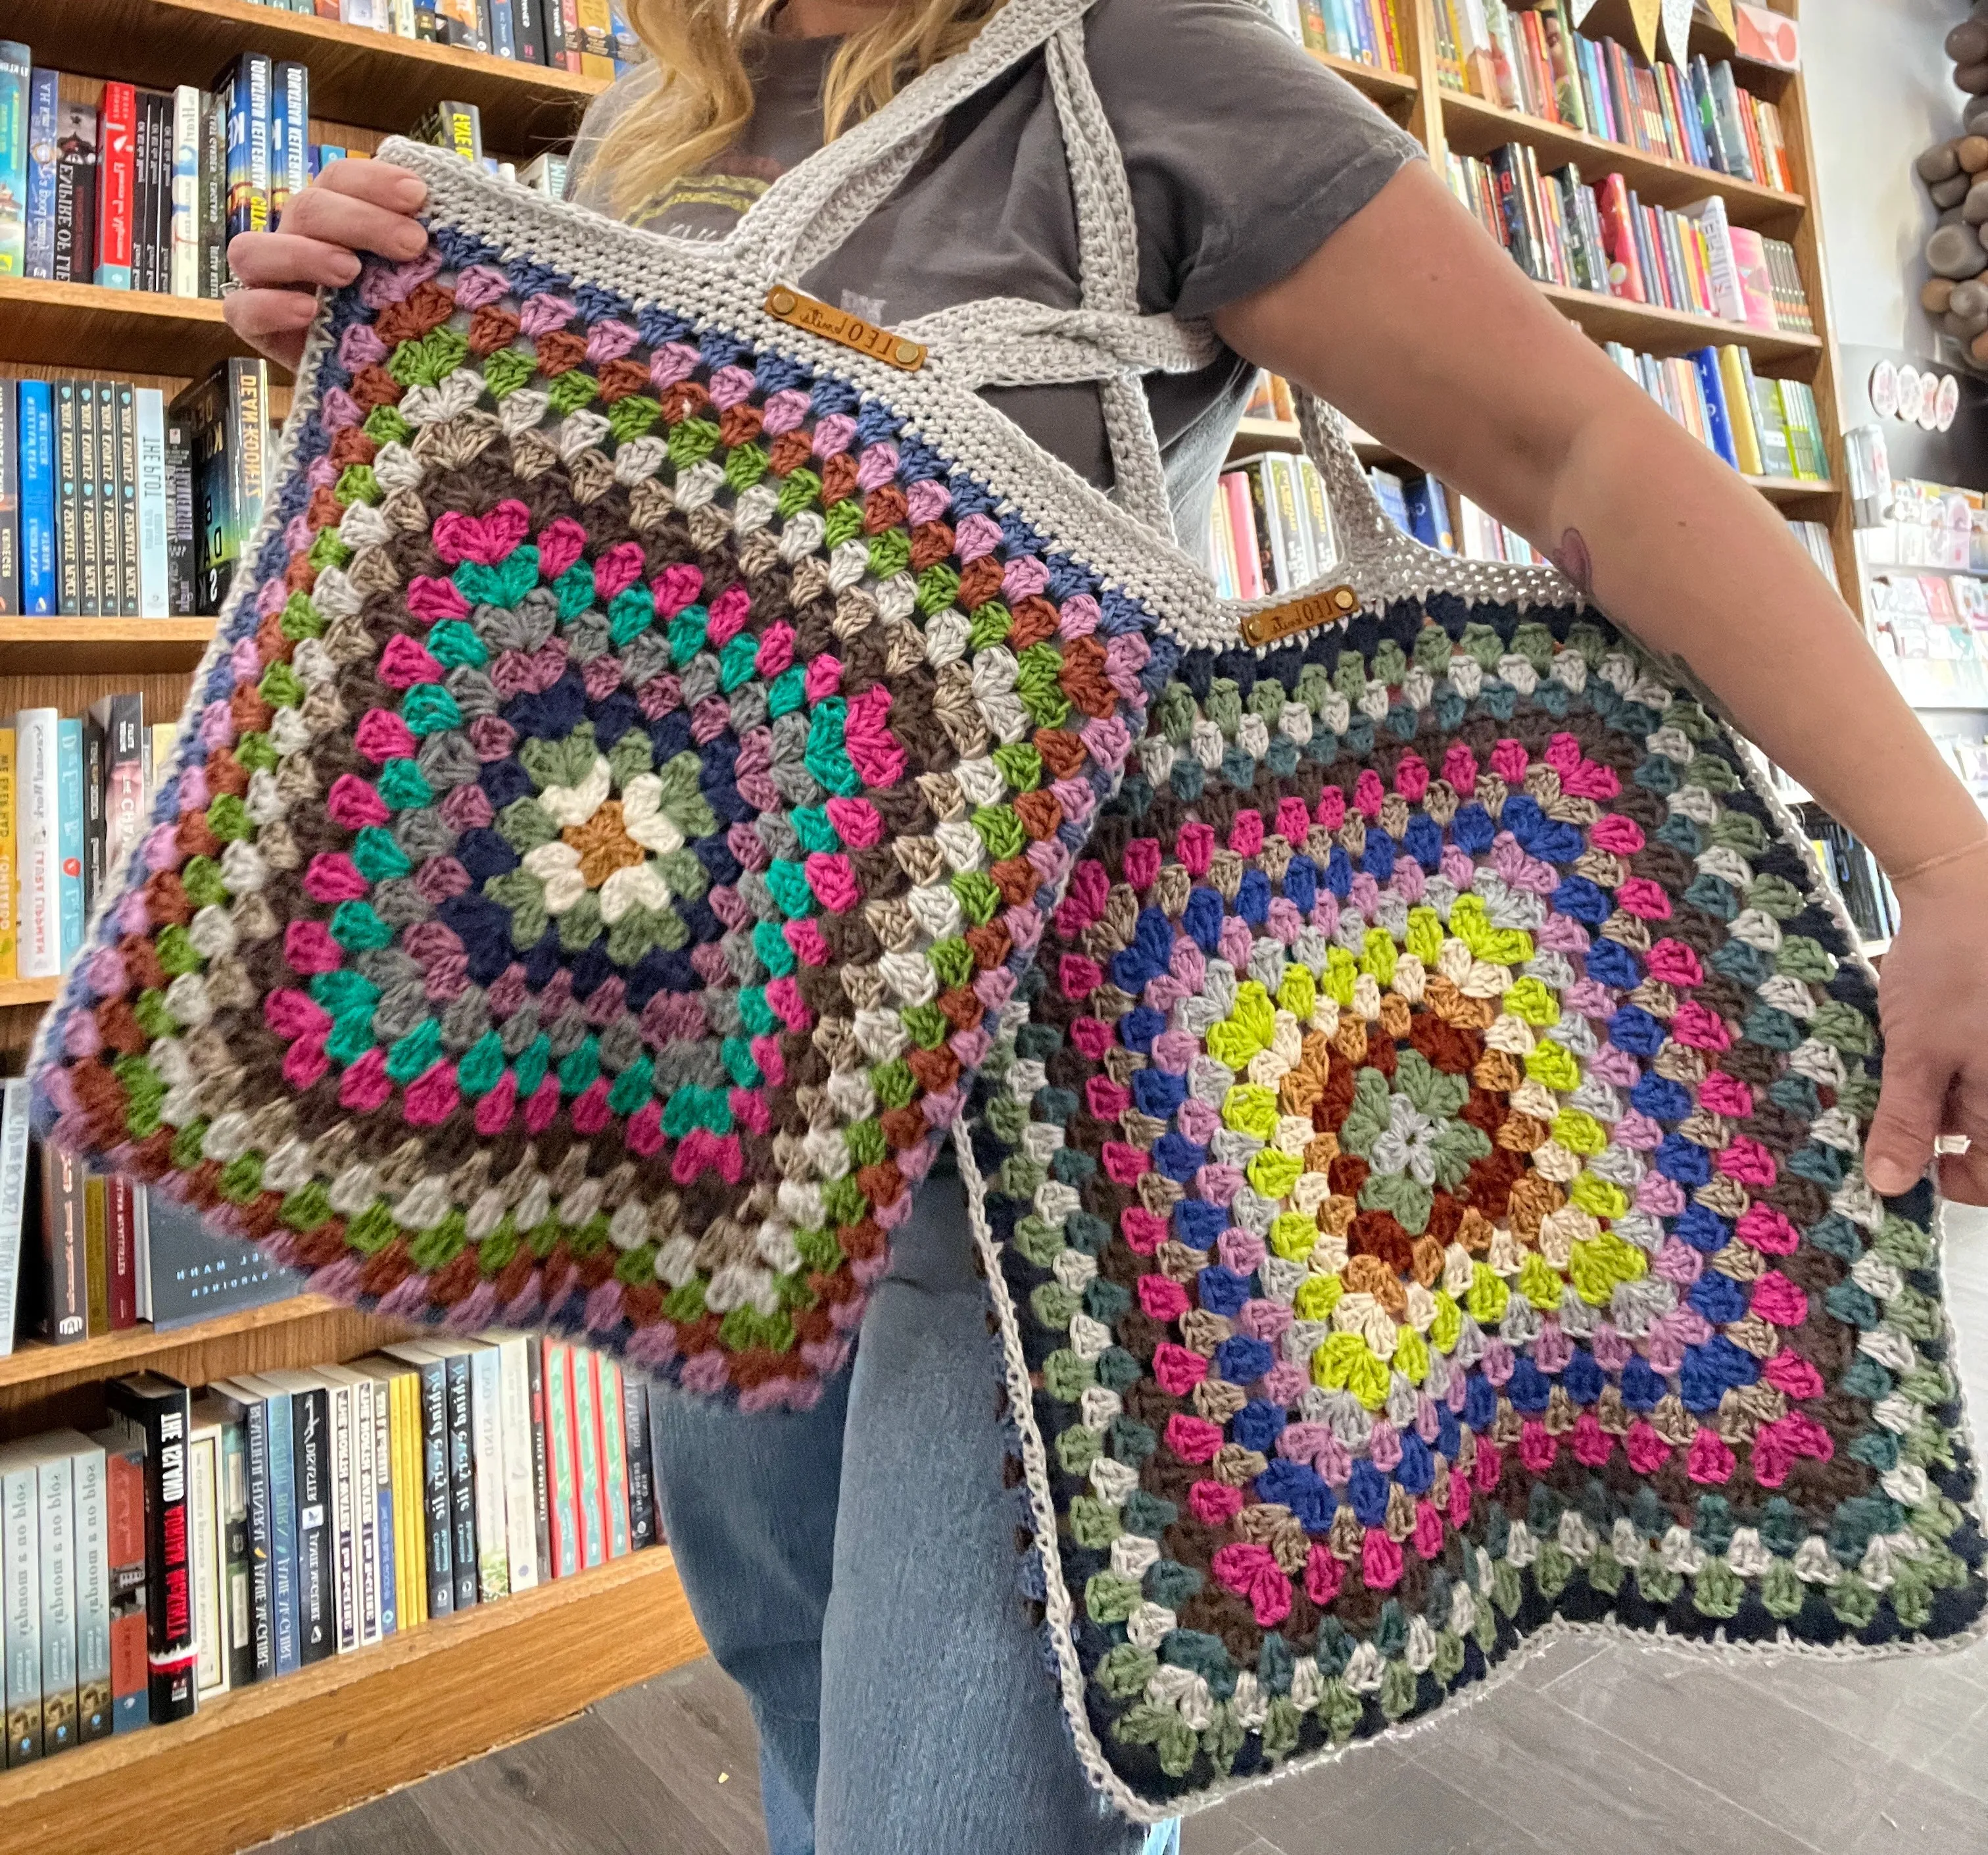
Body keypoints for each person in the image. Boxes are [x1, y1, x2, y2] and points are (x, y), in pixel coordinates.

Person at [222, 0, 1988, 1847]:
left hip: (1071, 1145)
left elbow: (1577, 454)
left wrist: (1943, 863)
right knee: (808, 1707)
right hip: (714, 1128)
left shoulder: (1136, 58)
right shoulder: (657, 116)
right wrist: (368, 338)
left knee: (960, 1815)